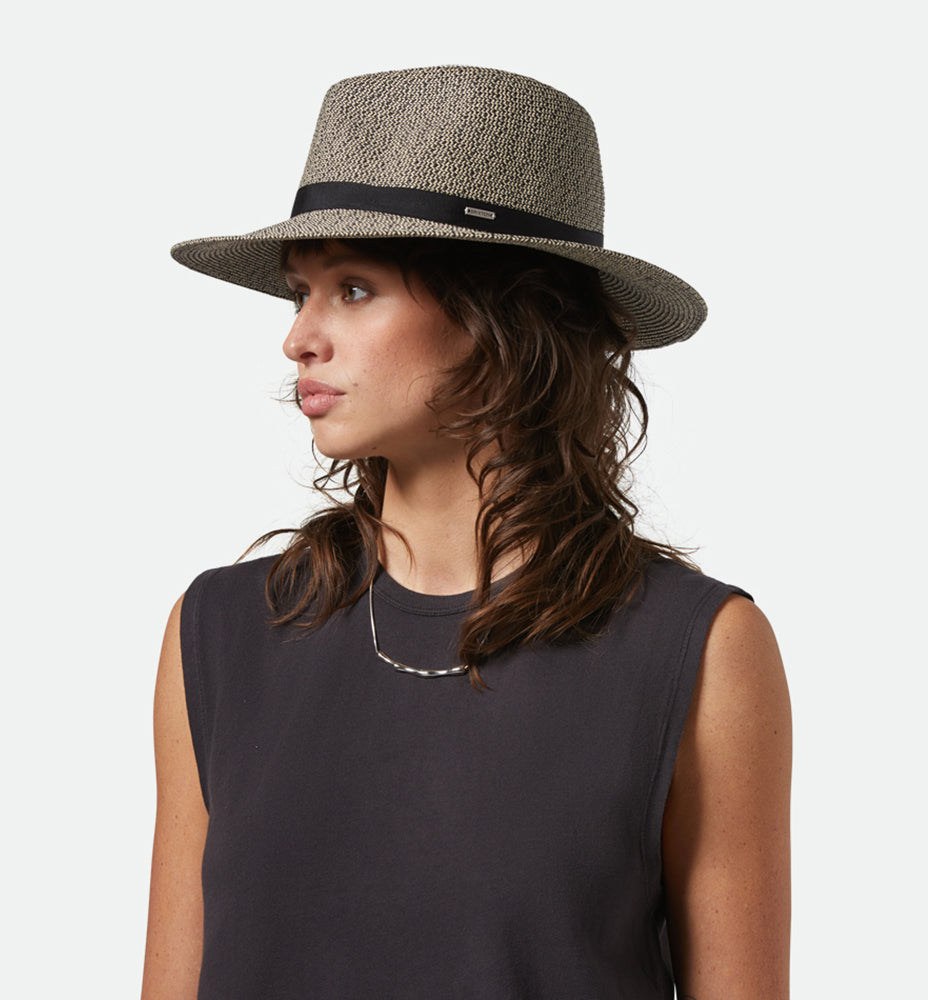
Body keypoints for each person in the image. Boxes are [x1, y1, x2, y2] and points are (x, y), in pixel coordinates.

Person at [141, 66, 791, 1000]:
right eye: (299, 292)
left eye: (353, 288)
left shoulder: (696, 650)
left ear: (502, 320)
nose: (299, 338)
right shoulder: (221, 634)